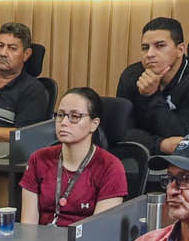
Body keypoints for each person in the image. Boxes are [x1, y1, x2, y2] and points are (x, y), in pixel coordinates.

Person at [113, 17, 189, 156]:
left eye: (160, 46)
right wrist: (159, 145)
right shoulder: (132, 76)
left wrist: (152, 96)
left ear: (180, 50)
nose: (150, 54)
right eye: (145, 48)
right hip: (140, 155)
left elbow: (184, 141)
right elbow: (119, 131)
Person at [19, 86, 127, 227]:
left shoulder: (110, 167)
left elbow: (99, 230)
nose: (64, 122)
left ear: (94, 125)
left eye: (75, 117)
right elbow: (28, 226)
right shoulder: (38, 159)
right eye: (60, 115)